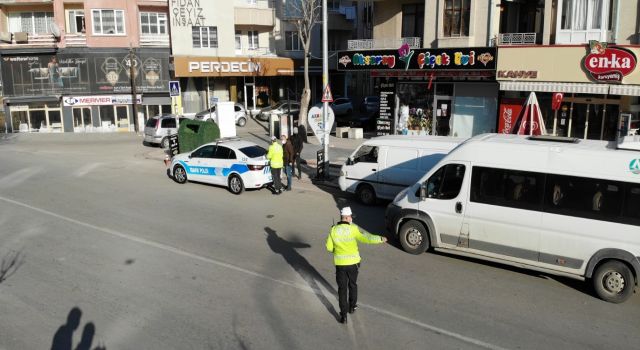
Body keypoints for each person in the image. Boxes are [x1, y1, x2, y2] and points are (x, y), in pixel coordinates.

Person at [325, 206, 387, 324]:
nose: (351, 219)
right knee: (352, 285)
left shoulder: (333, 230)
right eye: (351, 217)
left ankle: (343, 316)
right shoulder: (353, 229)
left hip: (340, 265)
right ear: (347, 217)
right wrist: (380, 239)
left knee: (342, 290)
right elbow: (366, 238)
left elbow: (328, 247)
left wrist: (336, 249)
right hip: (353, 264)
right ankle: (352, 307)